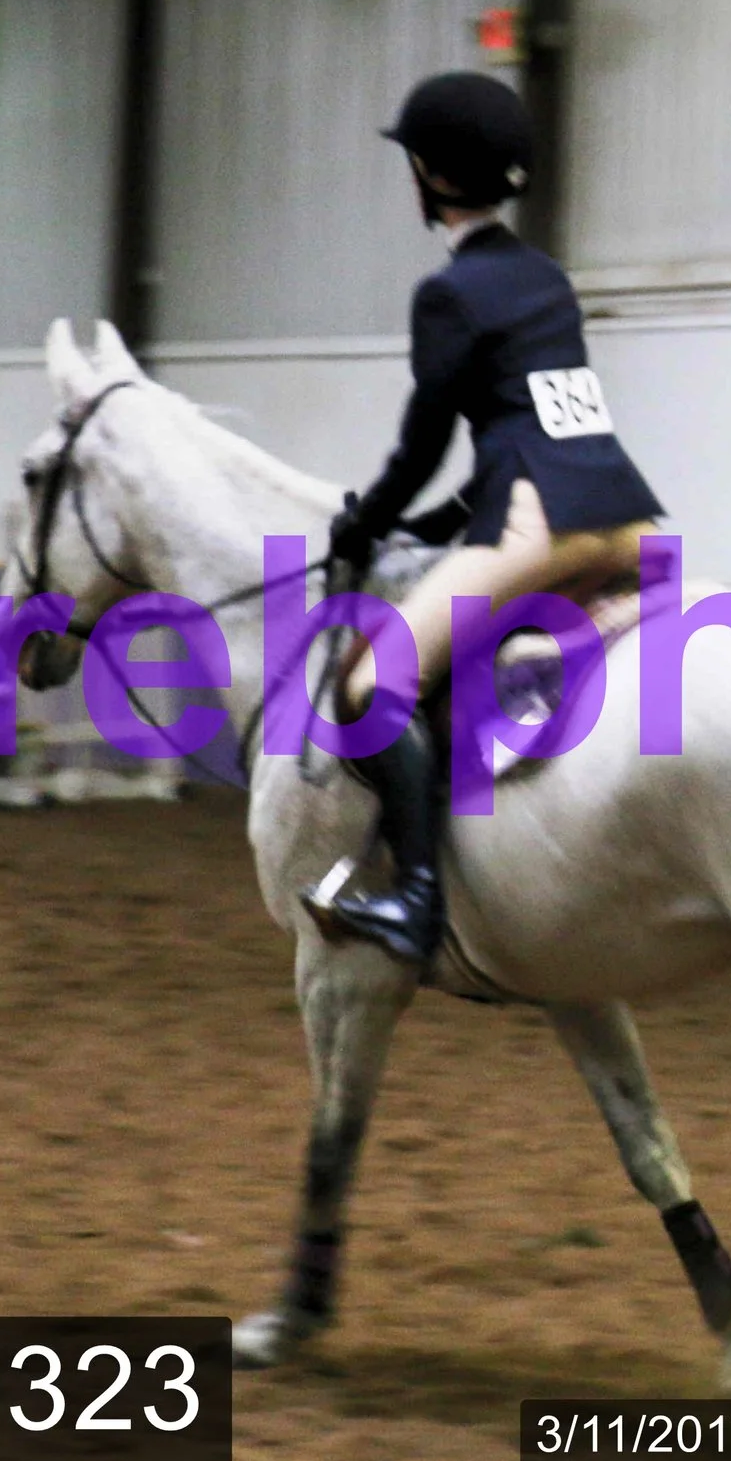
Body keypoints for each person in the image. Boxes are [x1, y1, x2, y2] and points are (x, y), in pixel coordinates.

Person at [299, 71, 665, 965]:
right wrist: (435, 526)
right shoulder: (547, 280)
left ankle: (418, 901)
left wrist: (366, 524)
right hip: (628, 517)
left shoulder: (449, 294)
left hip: (540, 529)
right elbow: (553, 423)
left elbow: (422, 445)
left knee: (367, 687)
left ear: (428, 173)